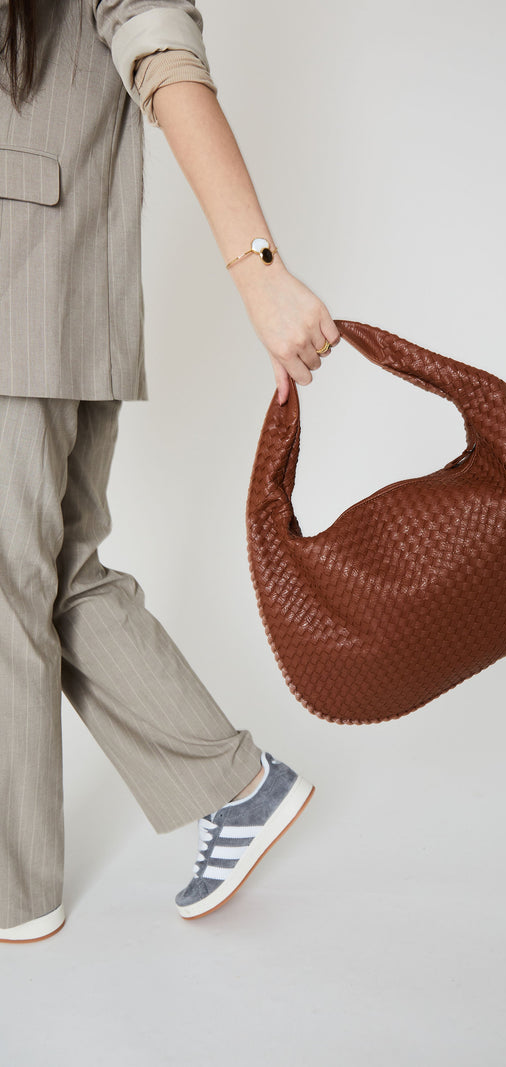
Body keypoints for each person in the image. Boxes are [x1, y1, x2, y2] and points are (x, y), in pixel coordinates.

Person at [0, 0, 338, 943]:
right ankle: (236, 783)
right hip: (42, 287)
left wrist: (258, 268)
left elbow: (164, 55)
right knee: (56, 572)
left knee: (11, 579)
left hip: (27, 291)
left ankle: (14, 889)